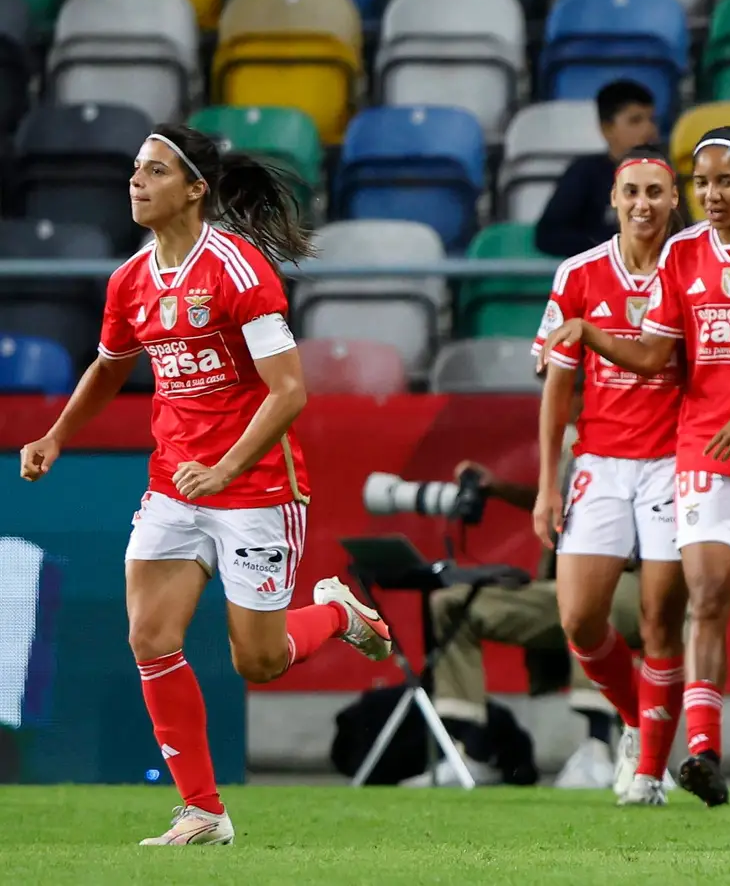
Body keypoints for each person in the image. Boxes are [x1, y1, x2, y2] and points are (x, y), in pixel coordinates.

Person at [17, 125, 392, 846]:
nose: (136, 181)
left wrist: (225, 467)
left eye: (154, 171)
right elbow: (108, 367)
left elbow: (288, 392)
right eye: (134, 169)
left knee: (258, 660)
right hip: (175, 483)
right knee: (150, 635)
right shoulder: (130, 279)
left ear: (195, 189)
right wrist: (58, 434)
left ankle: (340, 615)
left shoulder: (238, 268)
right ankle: (203, 811)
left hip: (255, 488)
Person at [541, 126, 730, 812]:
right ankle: (702, 754)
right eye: (701, 182)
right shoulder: (681, 254)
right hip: (703, 446)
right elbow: (653, 356)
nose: (710, 194)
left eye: (723, 181)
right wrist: (589, 332)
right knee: (705, 596)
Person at [533, 148, 691, 804]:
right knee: (579, 619)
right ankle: (636, 721)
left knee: (659, 620)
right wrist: (548, 483)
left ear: (673, 200)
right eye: (632, 192)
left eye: (656, 192)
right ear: (614, 200)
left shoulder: (693, 271)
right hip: (599, 460)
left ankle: (650, 768)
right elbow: (557, 388)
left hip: (674, 462)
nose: (644, 204)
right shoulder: (579, 273)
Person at [411, 460, 646, 790]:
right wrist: (499, 488)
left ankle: (600, 749)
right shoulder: (569, 438)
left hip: (637, 581)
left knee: (590, 594)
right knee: (453, 605)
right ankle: (473, 752)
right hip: (566, 581)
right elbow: (556, 501)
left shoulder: (640, 428)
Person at [536, 81, 660, 259]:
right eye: (635, 121)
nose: (649, 130)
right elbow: (549, 235)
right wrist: (605, 251)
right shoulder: (584, 173)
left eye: (652, 120)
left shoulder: (665, 175)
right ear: (606, 129)